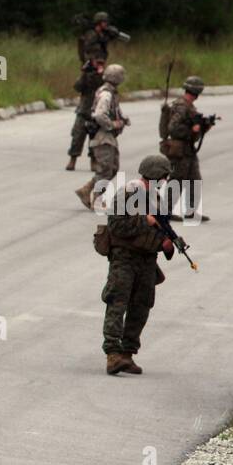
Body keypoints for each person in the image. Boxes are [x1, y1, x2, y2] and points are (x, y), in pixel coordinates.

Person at [101, 155, 177, 375]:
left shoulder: (155, 199)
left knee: (142, 305)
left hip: (146, 260)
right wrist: (145, 220)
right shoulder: (128, 193)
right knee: (118, 302)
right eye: (163, 177)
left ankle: (127, 353)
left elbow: (161, 229)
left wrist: (167, 243)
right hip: (124, 258)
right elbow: (116, 225)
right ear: (155, 175)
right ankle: (113, 354)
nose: (164, 181)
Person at [162, 76, 213, 222]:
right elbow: (173, 128)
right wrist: (192, 129)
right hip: (179, 150)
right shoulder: (181, 106)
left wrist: (203, 127)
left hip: (188, 149)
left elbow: (193, 130)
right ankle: (166, 211)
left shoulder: (189, 106)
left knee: (195, 180)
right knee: (177, 180)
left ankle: (190, 211)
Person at [76, 64, 127, 209]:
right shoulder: (106, 94)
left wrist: (123, 119)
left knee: (112, 168)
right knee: (106, 170)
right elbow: (99, 114)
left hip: (108, 137)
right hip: (103, 137)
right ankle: (97, 199)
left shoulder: (110, 93)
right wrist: (113, 124)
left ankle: (86, 190)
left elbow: (114, 110)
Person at [67, 58, 105, 171]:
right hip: (83, 111)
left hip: (96, 112)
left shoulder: (104, 76)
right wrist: (85, 73)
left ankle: (93, 161)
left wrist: (99, 73)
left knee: (95, 139)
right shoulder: (86, 75)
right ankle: (72, 159)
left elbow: (103, 86)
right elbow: (77, 87)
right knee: (77, 137)